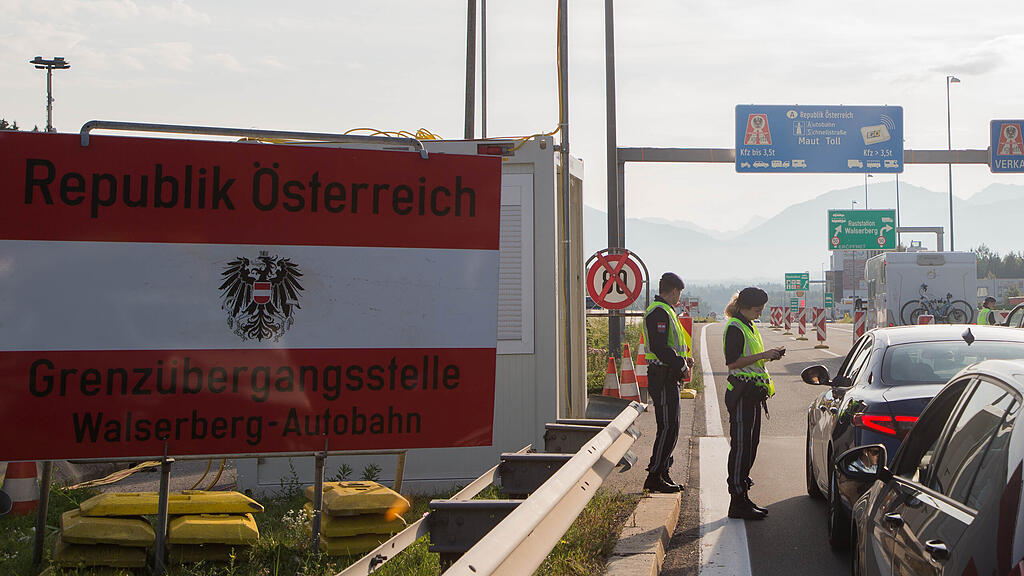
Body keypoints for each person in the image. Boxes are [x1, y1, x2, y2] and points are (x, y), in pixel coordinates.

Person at [723, 287, 785, 520]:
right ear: (745, 308)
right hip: (741, 394)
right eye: (758, 309)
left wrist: (769, 355)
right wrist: (762, 355)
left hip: (752, 394)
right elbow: (732, 362)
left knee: (750, 445)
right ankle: (737, 500)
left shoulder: (748, 324)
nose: (761, 312)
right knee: (741, 447)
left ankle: (743, 496)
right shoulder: (735, 327)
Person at [641, 272, 694, 493]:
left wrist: (683, 361)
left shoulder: (667, 311)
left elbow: (671, 346)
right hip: (661, 376)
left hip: (668, 376)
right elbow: (660, 347)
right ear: (673, 291)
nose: (679, 297)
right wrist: (682, 365)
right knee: (667, 427)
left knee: (672, 426)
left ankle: (663, 471)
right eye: (679, 293)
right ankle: (654, 475)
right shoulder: (659, 312)